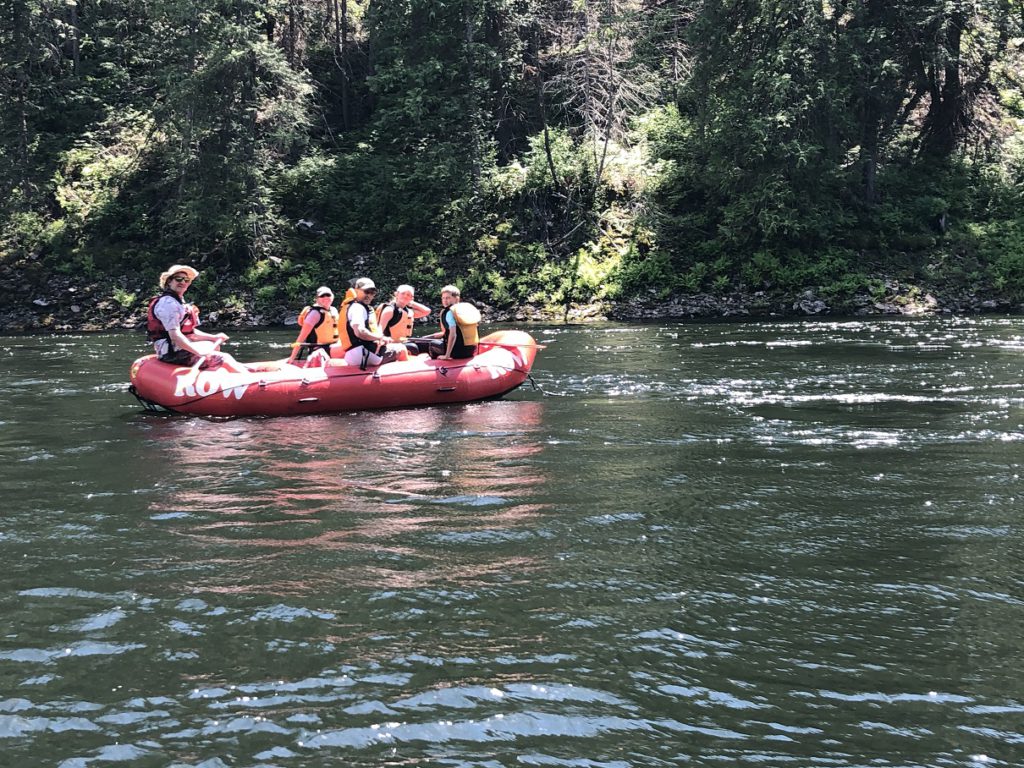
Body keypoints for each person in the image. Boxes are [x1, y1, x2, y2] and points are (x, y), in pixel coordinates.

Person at [146, 264, 246, 372]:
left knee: (213, 345)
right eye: (178, 279)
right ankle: (246, 379)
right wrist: (197, 351)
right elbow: (175, 336)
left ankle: (210, 377)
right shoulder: (168, 304)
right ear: (169, 281)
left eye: (186, 280)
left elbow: (190, 332)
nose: (183, 282)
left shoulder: (179, 303)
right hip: (170, 352)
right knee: (222, 358)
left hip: (177, 349)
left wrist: (213, 337)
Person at [340, 278, 407, 369]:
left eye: (372, 292)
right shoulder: (357, 308)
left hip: (353, 355)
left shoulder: (353, 306)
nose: (369, 295)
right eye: (366, 291)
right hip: (364, 355)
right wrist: (380, 337)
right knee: (401, 349)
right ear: (356, 291)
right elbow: (360, 332)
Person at [426, 284, 480, 360]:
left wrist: (447, 356)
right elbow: (446, 333)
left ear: (456, 299)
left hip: (457, 352)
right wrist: (426, 337)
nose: (445, 301)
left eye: (448, 298)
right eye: (443, 298)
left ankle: (436, 365)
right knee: (431, 340)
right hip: (471, 350)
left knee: (432, 344)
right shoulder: (466, 309)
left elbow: (453, 335)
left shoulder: (450, 313)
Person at [287, 286, 338, 365]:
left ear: (333, 296)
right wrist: (292, 358)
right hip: (319, 349)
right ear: (317, 299)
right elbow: (301, 337)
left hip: (333, 346)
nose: (326, 298)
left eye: (328, 295)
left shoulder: (333, 310)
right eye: (322, 296)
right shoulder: (314, 314)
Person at [376, 284, 431, 355]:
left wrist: (411, 302)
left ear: (412, 298)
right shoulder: (390, 310)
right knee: (412, 347)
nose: (405, 296)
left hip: (403, 342)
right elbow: (379, 330)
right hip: (389, 345)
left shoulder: (408, 312)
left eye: (408, 295)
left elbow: (427, 311)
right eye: (403, 293)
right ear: (396, 294)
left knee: (426, 345)